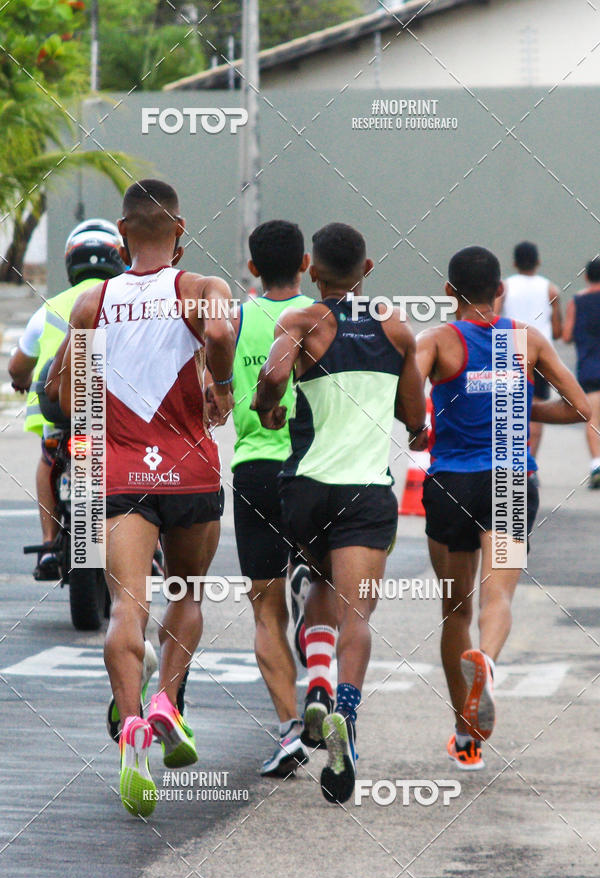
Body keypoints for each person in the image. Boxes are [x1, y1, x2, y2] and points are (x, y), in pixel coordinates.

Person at [54, 179, 235, 817]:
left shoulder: (91, 304)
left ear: (123, 233)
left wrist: (95, 412)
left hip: (121, 475)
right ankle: (166, 702)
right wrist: (220, 384)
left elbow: (67, 396)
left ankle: (130, 730)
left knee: (126, 607)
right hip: (189, 472)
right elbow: (217, 334)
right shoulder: (202, 288)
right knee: (185, 593)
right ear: (180, 231)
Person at [254, 222, 427, 804]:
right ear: (368, 269)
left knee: (318, 584)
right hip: (366, 491)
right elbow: (415, 414)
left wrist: (268, 407)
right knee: (360, 614)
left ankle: (319, 683)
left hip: (305, 488)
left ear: (312, 271)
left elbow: (274, 376)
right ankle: (345, 717)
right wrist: (417, 426)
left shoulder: (302, 323)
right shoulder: (395, 326)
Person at [417, 246, 590, 771]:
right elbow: (581, 407)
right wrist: (522, 403)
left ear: (449, 293)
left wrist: (417, 424)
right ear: (501, 291)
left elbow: (405, 398)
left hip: (450, 481)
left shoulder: (437, 340)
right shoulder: (526, 339)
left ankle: (464, 733)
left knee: (454, 611)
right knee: (500, 596)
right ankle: (486, 665)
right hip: (512, 478)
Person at [228, 220, 313, 777]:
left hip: (255, 468)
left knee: (264, 610)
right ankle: (309, 587)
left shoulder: (236, 318)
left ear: (253, 269)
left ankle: (289, 731)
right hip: (312, 469)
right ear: (306, 264)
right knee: (326, 596)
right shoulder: (320, 318)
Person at [8, 220, 124, 578]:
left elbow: (17, 366)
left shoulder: (50, 307)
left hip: (59, 411)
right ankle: (149, 545)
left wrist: (22, 380)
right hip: (113, 414)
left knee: (47, 458)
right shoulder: (125, 302)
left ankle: (47, 544)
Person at [496, 241, 561, 458]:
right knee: (536, 408)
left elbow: (493, 320)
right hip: (540, 353)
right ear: (538, 261)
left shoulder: (503, 288)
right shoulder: (550, 289)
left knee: (508, 408)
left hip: (510, 349)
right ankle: (529, 463)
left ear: (514, 263)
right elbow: (558, 331)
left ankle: (511, 459)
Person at [562, 258, 600, 487]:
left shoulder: (577, 302)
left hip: (590, 369)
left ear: (586, 277)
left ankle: (597, 463)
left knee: (593, 419)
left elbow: (566, 335)